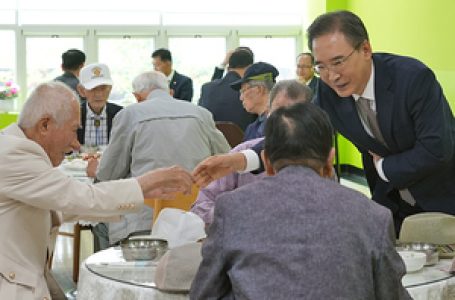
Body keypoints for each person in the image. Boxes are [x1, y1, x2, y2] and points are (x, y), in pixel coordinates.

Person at [190, 102, 410, 299]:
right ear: (330, 159)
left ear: (266, 161)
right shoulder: (374, 215)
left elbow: (204, 293)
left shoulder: (231, 209)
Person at [0, 81, 193, 300]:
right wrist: (145, 183)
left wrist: (141, 194)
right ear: (45, 125)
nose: (76, 144)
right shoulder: (13, 153)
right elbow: (78, 198)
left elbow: (65, 205)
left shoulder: (15, 149)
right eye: (73, 131)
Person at [307, 10, 455, 233]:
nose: (331, 76)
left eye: (338, 62)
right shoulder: (327, 93)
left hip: (443, 199)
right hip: (390, 204)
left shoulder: (413, 78)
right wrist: (246, 158)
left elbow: (436, 149)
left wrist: (384, 167)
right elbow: (299, 131)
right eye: (321, 67)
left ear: (365, 49)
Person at [87, 71, 230, 249]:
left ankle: (108, 274)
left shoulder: (129, 115)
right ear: (170, 91)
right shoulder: (202, 114)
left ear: (137, 97)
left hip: (143, 221)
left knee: (100, 223)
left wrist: (96, 171)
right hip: (195, 220)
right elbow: (225, 160)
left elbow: (109, 173)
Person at [191, 80, 313, 225]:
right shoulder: (240, 154)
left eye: (296, 113)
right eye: (278, 111)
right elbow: (201, 205)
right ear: (268, 112)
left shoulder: (317, 160)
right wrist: (234, 217)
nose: (286, 120)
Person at [198, 49, 257, 131]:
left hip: (210, 141)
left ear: (229, 67)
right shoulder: (251, 91)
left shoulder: (207, 88)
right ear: (250, 68)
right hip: (244, 141)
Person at [76, 63, 123, 146]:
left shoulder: (121, 114)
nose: (99, 94)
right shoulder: (74, 114)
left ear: (110, 89)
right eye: (93, 89)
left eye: (103, 88)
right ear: (82, 91)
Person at [230, 61, 279, 141]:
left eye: (243, 91)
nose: (241, 98)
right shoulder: (253, 127)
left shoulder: (280, 124)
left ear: (259, 89)